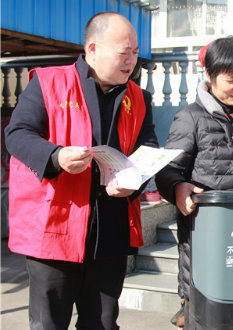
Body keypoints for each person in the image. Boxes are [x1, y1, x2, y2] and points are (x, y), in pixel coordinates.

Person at [4, 11, 159, 330]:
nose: (131, 60)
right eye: (123, 52)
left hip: (111, 229)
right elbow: (17, 134)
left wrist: (135, 180)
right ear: (92, 49)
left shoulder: (138, 98)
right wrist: (56, 156)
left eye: (134, 52)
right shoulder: (49, 83)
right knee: (49, 323)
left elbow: (149, 150)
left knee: (102, 323)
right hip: (57, 228)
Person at [155, 36, 233, 329]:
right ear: (209, 77)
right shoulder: (190, 118)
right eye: (230, 79)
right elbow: (167, 170)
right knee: (208, 310)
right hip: (206, 234)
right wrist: (176, 187)